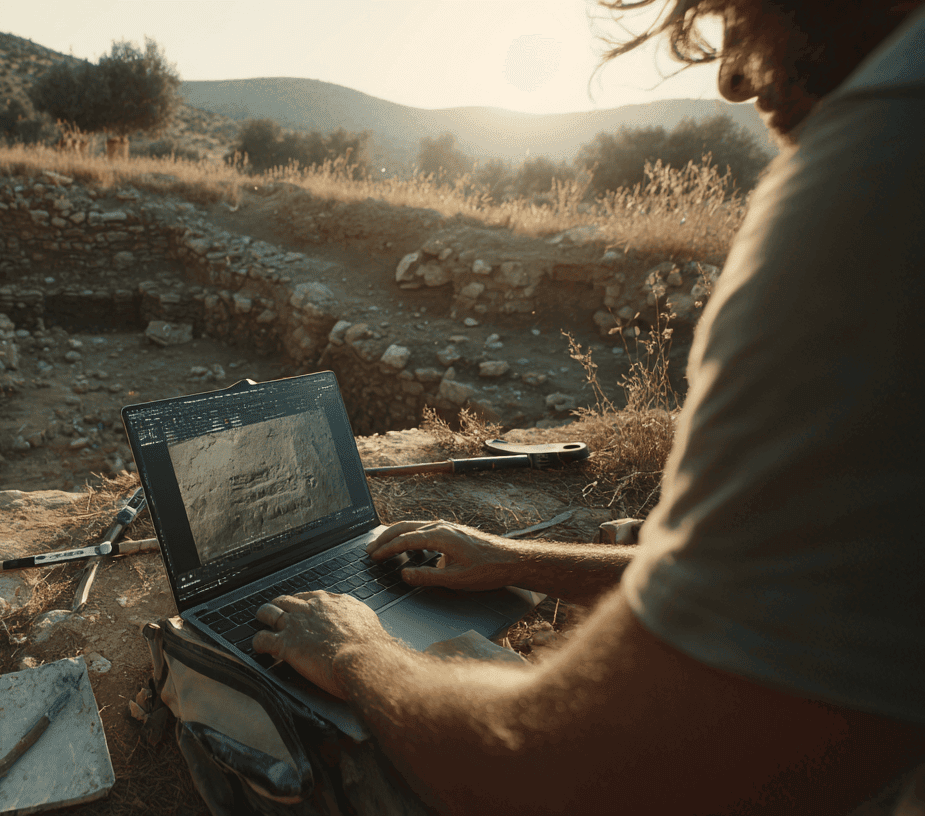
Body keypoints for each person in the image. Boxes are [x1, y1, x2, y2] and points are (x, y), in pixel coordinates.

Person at [251, 2, 925, 813]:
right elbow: (831, 590)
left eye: (739, 13)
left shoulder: (879, 168)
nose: (732, 77)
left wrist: (361, 656)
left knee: (308, 748)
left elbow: (562, 769)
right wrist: (518, 560)